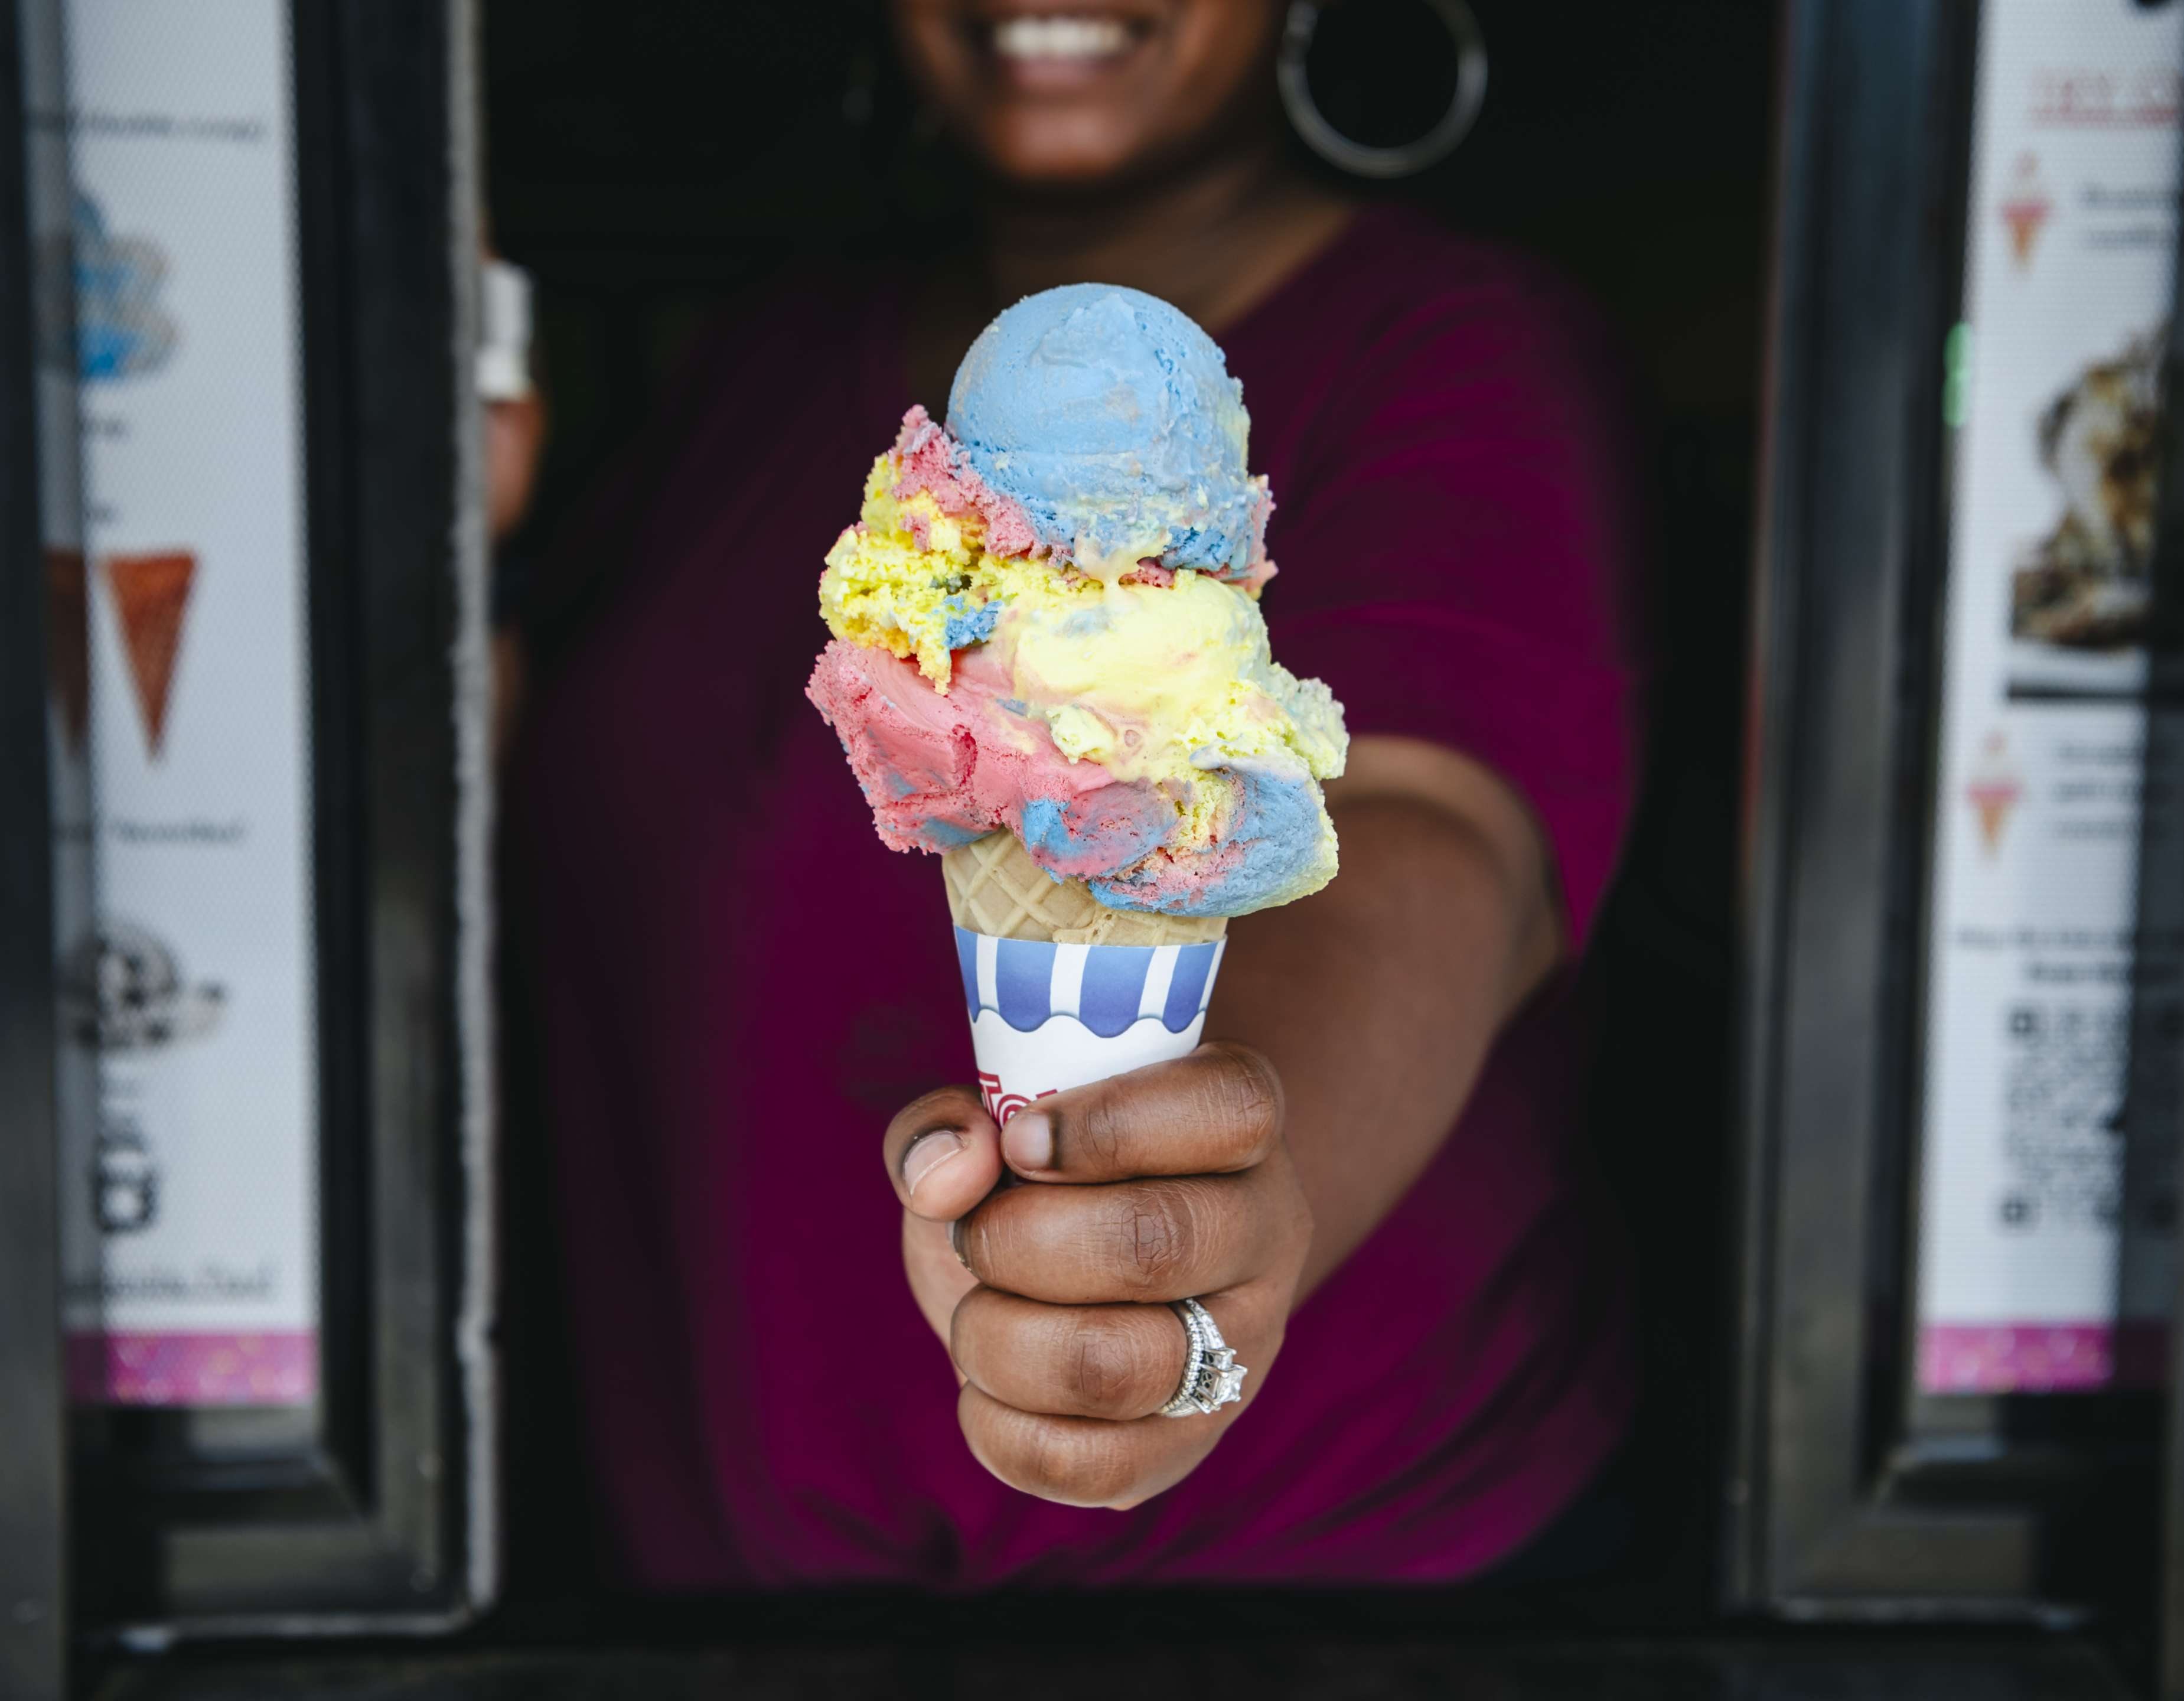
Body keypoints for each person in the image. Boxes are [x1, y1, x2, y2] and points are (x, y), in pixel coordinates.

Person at [504, 0, 1641, 1588]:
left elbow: (1433, 853)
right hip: (726, 1617)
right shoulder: (761, 366)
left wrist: (1210, 1210)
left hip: (1306, 1611)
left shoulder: (1446, 342)